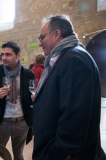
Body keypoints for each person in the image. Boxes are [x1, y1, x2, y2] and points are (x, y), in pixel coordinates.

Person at [32, 15, 104, 160]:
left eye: (42, 37)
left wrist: (53, 153)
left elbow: (74, 119)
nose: (40, 43)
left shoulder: (73, 59)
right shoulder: (66, 56)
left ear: (57, 34)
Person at [0, 41, 34, 160]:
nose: (4, 58)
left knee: (18, 154)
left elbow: (31, 96)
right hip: (2, 121)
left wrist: (34, 99)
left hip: (22, 122)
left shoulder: (28, 74)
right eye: (2, 54)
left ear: (18, 55)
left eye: (8, 54)